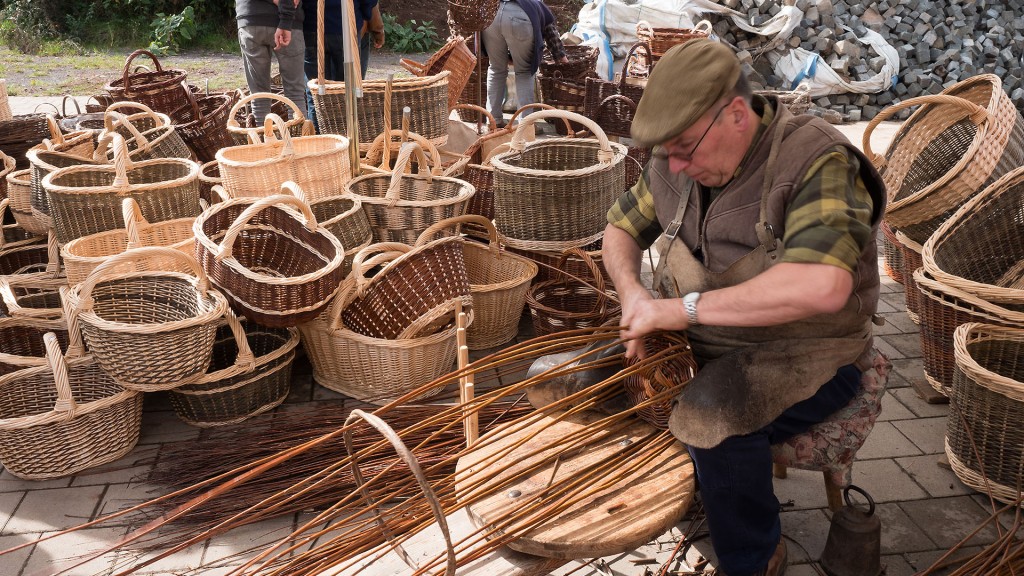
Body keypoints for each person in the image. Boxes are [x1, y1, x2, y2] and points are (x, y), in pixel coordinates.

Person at [603, 38, 890, 575]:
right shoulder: (674, 157)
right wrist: (634, 295)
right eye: (670, 152)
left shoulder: (816, 159)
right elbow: (619, 230)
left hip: (809, 353)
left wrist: (680, 311)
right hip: (702, 341)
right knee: (579, 378)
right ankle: (677, 497)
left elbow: (821, 286)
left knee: (713, 417)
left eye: (687, 148)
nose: (679, 165)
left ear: (737, 114)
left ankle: (754, 556)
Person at [481, 0, 568, 126]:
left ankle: (493, 120)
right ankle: (525, 126)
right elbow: (548, 27)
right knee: (524, 71)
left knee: (496, 68)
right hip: (519, 18)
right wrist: (560, 55)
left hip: (491, 16)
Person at [302, 0, 383, 129]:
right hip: (344, 27)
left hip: (313, 27)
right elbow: (368, 3)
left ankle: (319, 136)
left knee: (316, 90)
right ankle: (345, 134)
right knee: (347, 89)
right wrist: (376, 27)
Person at [235, 0, 308, 123]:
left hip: (251, 18)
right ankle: (300, 140)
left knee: (259, 96)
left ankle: (264, 140)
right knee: (295, 94)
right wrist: (286, 13)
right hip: (290, 23)